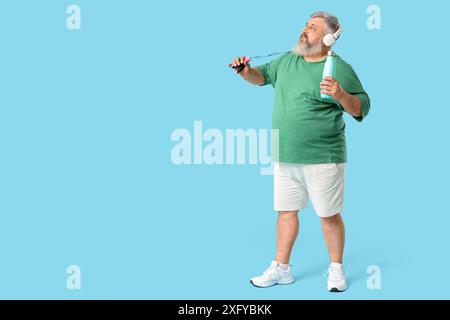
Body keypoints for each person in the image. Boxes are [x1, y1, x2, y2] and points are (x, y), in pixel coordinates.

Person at [229, 11, 371, 292]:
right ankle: (281, 268)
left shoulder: (338, 68)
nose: (304, 30)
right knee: (285, 212)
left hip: (323, 157)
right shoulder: (287, 60)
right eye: (306, 25)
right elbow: (261, 77)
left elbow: (363, 107)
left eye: (313, 27)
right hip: (285, 155)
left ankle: (336, 270)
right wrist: (245, 71)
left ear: (330, 37)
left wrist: (341, 95)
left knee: (329, 216)